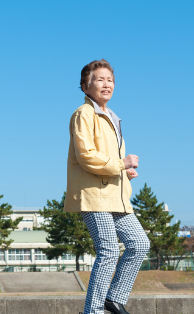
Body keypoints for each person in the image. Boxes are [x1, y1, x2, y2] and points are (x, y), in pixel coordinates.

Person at [64, 59, 150, 314]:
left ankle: (113, 299)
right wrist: (120, 163)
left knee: (139, 244)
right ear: (85, 85)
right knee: (109, 250)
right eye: (99, 79)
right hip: (93, 196)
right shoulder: (83, 114)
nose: (106, 84)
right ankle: (93, 311)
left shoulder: (112, 117)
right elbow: (86, 155)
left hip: (115, 195)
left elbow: (109, 162)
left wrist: (124, 173)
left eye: (110, 80)